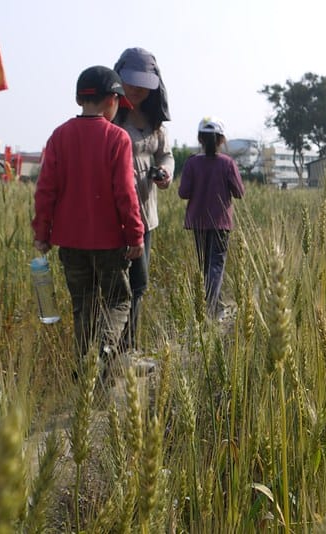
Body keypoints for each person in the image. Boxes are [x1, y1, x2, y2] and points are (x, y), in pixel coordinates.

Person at [31, 65, 144, 381]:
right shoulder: (116, 138)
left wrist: (42, 234)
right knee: (118, 300)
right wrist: (135, 235)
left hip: (69, 242)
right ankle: (105, 350)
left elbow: (46, 190)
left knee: (83, 306)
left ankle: (85, 372)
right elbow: (125, 192)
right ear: (112, 99)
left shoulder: (60, 135)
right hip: (109, 242)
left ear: (80, 98)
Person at [113, 47, 175, 352]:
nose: (136, 90)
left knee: (139, 284)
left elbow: (166, 153)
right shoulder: (110, 114)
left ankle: (129, 347)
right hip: (113, 217)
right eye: (130, 82)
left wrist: (164, 171)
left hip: (146, 216)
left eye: (143, 84)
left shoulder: (154, 121)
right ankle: (109, 352)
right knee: (114, 288)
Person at [178, 117, 245, 320]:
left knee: (205, 264)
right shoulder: (227, 163)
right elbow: (239, 192)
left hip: (198, 222)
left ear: (200, 138)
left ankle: (214, 304)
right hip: (220, 223)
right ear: (221, 140)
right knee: (216, 265)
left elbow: (183, 193)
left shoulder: (191, 163)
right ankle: (212, 307)